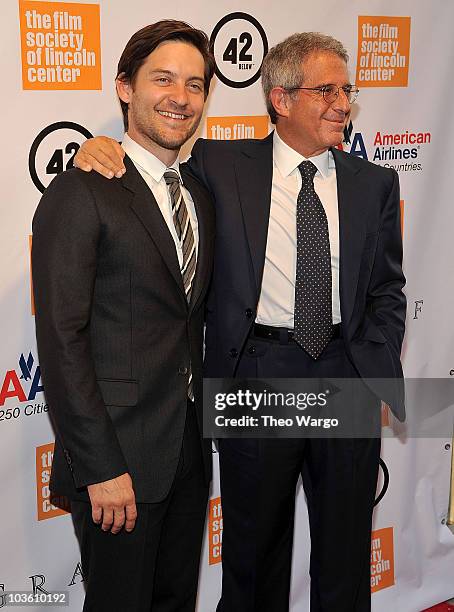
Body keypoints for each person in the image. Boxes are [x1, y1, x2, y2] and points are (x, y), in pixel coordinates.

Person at [74, 31, 406, 612]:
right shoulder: (219, 163)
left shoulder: (373, 183)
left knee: (346, 552)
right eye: (325, 90)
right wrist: (100, 148)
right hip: (256, 373)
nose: (343, 104)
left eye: (346, 91)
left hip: (344, 372)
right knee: (253, 553)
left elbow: (387, 290)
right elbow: (151, 166)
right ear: (280, 99)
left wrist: (375, 365)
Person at [32, 20, 215, 612]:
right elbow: (62, 339)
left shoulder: (201, 191)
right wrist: (100, 467)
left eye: (194, 84)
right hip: (118, 464)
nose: (180, 96)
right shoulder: (82, 189)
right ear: (124, 88)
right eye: (162, 78)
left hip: (187, 453)